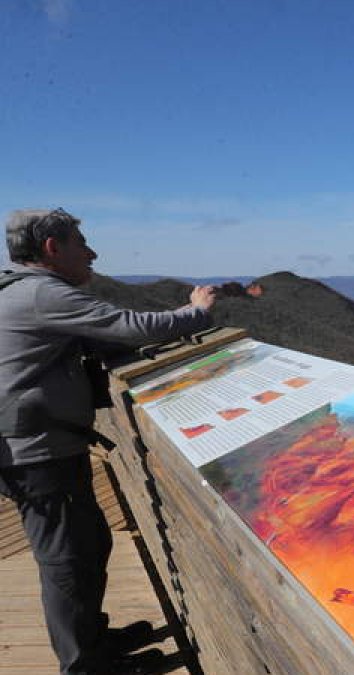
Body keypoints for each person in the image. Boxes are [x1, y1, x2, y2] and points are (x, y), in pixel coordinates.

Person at [0, 208, 218, 674]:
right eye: (81, 243)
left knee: (89, 545)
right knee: (66, 561)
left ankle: (93, 640)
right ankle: (85, 665)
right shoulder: (42, 293)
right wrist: (196, 311)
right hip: (36, 453)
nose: (92, 253)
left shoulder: (20, 290)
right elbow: (134, 325)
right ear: (52, 248)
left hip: (38, 446)